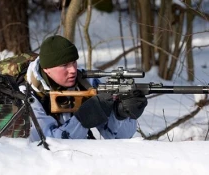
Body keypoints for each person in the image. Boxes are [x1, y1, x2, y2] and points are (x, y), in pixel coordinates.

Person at [19, 35, 148, 141]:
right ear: (47, 69)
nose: (73, 70)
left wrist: (120, 114)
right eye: (64, 65)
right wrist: (83, 119)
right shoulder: (27, 95)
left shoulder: (86, 83)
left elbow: (120, 137)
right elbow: (48, 142)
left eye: (74, 62)